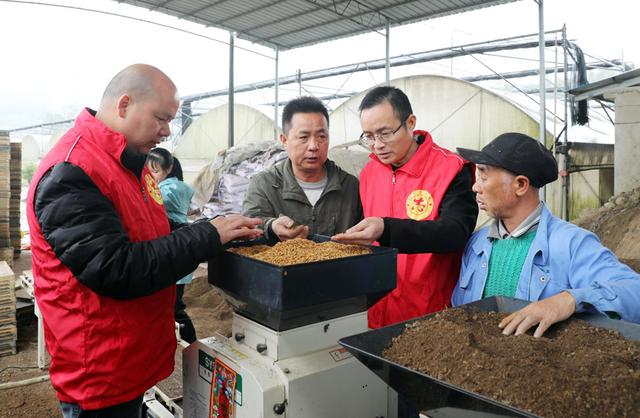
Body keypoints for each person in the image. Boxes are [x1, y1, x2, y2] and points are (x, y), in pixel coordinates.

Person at [26, 64, 262, 418]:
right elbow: (116, 268)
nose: (167, 132)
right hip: (100, 372)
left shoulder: (126, 165)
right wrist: (208, 234)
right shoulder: (72, 171)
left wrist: (230, 229)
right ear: (124, 105)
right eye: (161, 118)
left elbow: (159, 231)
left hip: (128, 358)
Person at [453, 132, 640, 337]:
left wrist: (569, 299)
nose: (475, 187)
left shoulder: (572, 244)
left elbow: (634, 290)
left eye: (484, 175)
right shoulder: (475, 244)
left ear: (521, 185)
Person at [332, 86, 478, 329]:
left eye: (385, 133)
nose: (377, 145)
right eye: (368, 136)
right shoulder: (370, 173)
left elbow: (454, 233)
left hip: (429, 313)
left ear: (410, 123)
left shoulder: (451, 169)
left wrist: (386, 229)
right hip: (377, 309)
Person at [243, 96, 362, 241]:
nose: (313, 146)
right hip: (283, 264)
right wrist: (271, 226)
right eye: (304, 137)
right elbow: (250, 226)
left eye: (321, 136)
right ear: (285, 141)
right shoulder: (265, 184)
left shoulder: (349, 185)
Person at [147, 149, 197, 343]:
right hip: (175, 253)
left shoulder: (170, 189)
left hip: (174, 252)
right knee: (171, 305)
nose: (151, 177)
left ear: (168, 169)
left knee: (175, 308)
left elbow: (157, 200)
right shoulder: (179, 187)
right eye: (148, 172)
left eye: (155, 171)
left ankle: (191, 343)